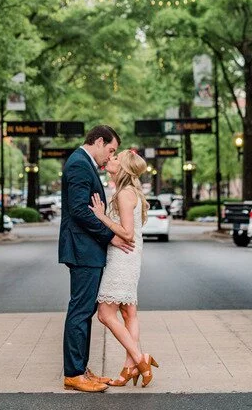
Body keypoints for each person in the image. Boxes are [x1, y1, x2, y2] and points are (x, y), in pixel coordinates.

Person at [58, 125, 133, 393]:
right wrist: (108, 236)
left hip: (86, 249)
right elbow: (79, 209)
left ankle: (81, 369)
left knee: (84, 310)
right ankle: (74, 373)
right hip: (83, 249)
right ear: (99, 141)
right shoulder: (79, 164)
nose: (110, 156)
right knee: (80, 311)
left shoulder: (82, 163)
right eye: (110, 150)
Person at [89, 150, 158, 388]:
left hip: (122, 257)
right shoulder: (127, 192)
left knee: (105, 314)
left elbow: (127, 233)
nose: (111, 159)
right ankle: (129, 367)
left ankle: (140, 359)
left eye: (116, 158)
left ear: (124, 168)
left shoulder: (124, 195)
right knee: (129, 313)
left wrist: (100, 216)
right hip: (130, 256)